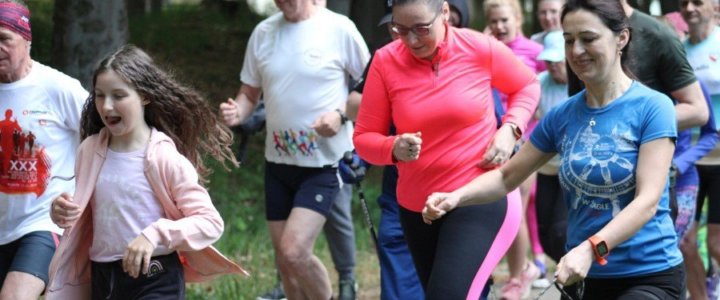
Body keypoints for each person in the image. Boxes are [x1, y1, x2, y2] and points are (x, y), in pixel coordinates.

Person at [424, 1, 686, 299]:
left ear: (621, 38)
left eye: (588, 39)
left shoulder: (654, 107)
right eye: (569, 40)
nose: (576, 51)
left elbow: (648, 201)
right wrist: (456, 196)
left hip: (648, 276)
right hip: (583, 279)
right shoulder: (562, 116)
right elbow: (505, 177)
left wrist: (590, 249)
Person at [353, 0, 540, 298]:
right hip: (419, 207)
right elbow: (363, 139)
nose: (411, 40)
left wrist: (510, 129)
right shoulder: (385, 61)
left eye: (421, 29)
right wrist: (393, 147)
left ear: (443, 13)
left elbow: (527, 85)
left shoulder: (479, 47)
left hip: (480, 195)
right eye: (400, 29)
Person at [45, 45, 247, 299]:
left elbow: (210, 222)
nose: (107, 106)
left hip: (156, 276)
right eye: (100, 95)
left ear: (144, 96)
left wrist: (155, 234)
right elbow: (84, 211)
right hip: (104, 277)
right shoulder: (89, 150)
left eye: (119, 95)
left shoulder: (163, 156)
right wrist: (60, 211)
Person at [220, 0, 370, 299]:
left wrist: (340, 116)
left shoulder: (339, 29)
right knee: (285, 261)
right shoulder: (263, 32)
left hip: (324, 164)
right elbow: (249, 92)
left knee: (294, 251)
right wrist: (238, 111)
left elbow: (371, 88)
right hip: (278, 163)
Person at [0, 1, 88, 299]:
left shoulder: (58, 88)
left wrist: (84, 196)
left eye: (3, 39)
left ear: (27, 39)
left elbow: (107, 138)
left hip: (42, 221)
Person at [678, 0, 720, 298]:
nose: (690, 8)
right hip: (688, 160)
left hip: (719, 160)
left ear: (715, 7)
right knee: (686, 243)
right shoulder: (677, 50)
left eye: (697, 2)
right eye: (684, 3)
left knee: (716, 244)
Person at [532, 29, 569, 269]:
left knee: (559, 230)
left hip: (571, 169)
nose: (552, 66)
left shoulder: (581, 85)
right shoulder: (539, 83)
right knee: (545, 233)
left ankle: (579, 278)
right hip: (546, 167)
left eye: (557, 61)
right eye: (548, 61)